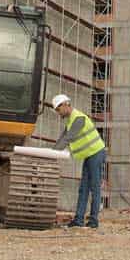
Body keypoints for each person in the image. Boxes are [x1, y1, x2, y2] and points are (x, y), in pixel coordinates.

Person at [51, 93, 106, 228]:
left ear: (65, 104)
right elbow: (62, 138)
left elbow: (68, 138)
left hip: (96, 153)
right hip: (89, 155)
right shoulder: (71, 120)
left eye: (58, 109)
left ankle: (93, 221)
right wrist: (52, 152)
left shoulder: (79, 118)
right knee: (83, 188)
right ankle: (79, 220)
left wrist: (52, 154)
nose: (58, 113)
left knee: (94, 187)